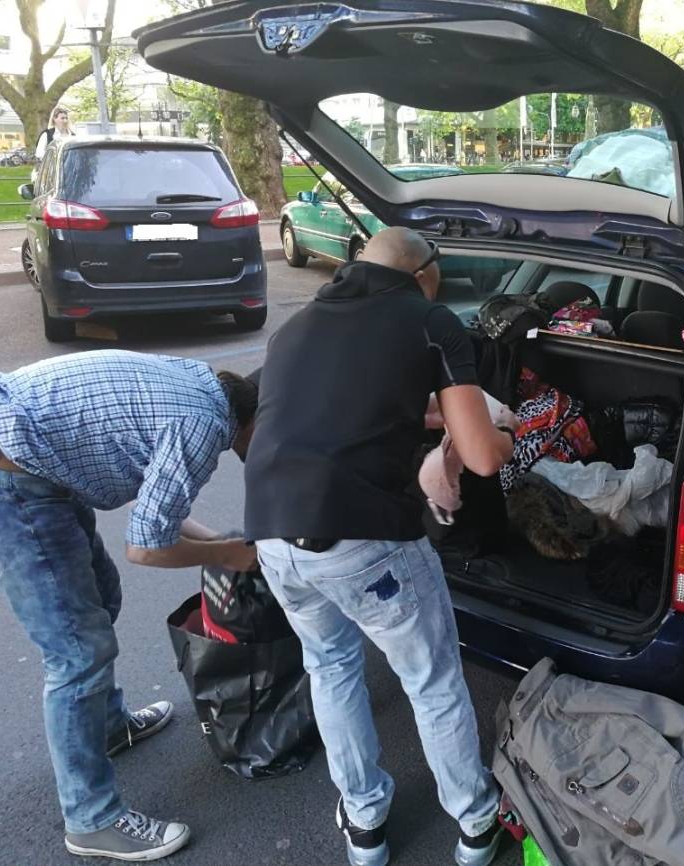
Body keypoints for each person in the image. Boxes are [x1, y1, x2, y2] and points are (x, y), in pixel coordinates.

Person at [247, 227, 515, 866]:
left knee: (331, 667)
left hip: (274, 538)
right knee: (432, 680)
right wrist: (505, 436)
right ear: (426, 273)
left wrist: (436, 418)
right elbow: (479, 458)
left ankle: (365, 825)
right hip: (366, 544)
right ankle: (476, 825)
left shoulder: (298, 325)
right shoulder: (431, 321)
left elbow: (350, 406)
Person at [0, 350, 260, 862]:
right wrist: (227, 555)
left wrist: (221, 541)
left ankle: (108, 728)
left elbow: (153, 501)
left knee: (100, 599)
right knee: (77, 653)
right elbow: (147, 549)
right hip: (3, 483)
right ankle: (92, 821)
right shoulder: (202, 425)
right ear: (254, 421)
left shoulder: (200, 385)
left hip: (31, 465)